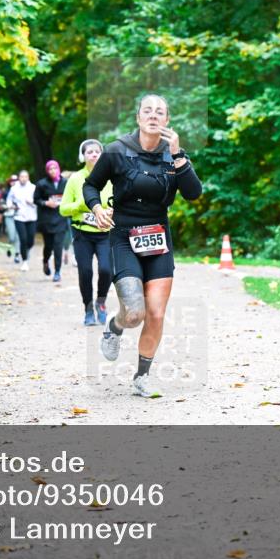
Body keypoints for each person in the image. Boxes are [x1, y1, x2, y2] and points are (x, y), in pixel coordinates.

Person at [83, 94, 202, 398]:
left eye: (159, 112)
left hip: (158, 237)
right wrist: (97, 208)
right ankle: (115, 324)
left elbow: (193, 193)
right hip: (123, 235)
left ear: (167, 121)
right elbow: (90, 184)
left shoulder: (173, 155)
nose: (153, 116)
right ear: (138, 118)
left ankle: (142, 377)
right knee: (134, 313)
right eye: (147, 111)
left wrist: (178, 155)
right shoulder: (116, 151)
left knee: (157, 314)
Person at [60, 139, 113, 326]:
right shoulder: (75, 179)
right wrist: (80, 207)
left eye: (97, 151)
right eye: (89, 151)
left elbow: (119, 201)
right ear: (82, 156)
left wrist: (110, 210)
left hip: (105, 233)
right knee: (86, 271)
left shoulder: (111, 176)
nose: (93, 154)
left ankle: (101, 302)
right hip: (82, 233)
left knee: (107, 270)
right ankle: (88, 308)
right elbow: (63, 209)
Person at [34, 160, 67, 283]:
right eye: (50, 169)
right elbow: (36, 200)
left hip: (61, 218)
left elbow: (71, 197)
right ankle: (45, 261)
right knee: (48, 246)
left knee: (58, 246)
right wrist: (46, 203)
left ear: (59, 169)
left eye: (55, 168)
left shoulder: (65, 182)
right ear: (47, 171)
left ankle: (57, 272)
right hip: (47, 219)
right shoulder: (42, 184)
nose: (53, 171)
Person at [6, 170, 37, 271]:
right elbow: (9, 199)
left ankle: (27, 251)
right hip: (19, 217)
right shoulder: (14, 188)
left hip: (32, 217)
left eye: (25, 177)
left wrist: (31, 202)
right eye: (22, 177)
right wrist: (10, 205)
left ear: (28, 178)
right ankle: (25, 262)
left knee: (30, 241)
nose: (23, 178)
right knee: (23, 239)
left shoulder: (33, 187)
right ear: (19, 178)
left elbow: (38, 201)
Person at [2, 174, 21, 262]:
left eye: (16, 181)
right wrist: (9, 206)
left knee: (18, 236)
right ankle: (10, 246)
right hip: (9, 216)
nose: (14, 183)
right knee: (12, 236)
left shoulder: (21, 191)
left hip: (19, 216)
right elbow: (1, 205)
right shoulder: (5, 192)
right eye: (12, 181)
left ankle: (17, 254)